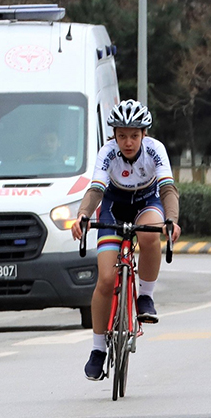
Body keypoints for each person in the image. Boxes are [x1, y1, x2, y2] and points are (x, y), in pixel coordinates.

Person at [70, 99, 182, 381]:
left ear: (144, 134)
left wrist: (171, 220)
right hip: (114, 205)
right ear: (114, 135)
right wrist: (83, 215)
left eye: (134, 135)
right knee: (106, 280)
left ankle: (145, 296)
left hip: (147, 201)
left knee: (148, 233)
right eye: (122, 136)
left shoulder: (155, 150)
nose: (128, 142)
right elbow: (95, 189)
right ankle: (97, 350)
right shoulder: (107, 152)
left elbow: (168, 188)